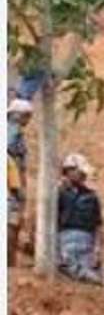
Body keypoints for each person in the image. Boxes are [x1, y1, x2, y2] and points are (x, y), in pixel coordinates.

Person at [56, 152, 104, 284]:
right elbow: (51, 224)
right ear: (68, 171)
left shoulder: (91, 196)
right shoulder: (58, 193)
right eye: (80, 171)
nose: (83, 175)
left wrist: (97, 250)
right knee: (70, 280)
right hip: (65, 243)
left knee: (93, 282)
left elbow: (98, 225)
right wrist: (56, 250)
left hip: (87, 246)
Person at [8, 99, 34, 266]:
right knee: (11, 221)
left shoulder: (16, 132)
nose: (28, 119)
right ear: (15, 114)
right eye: (25, 115)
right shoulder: (11, 131)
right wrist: (16, 185)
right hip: (11, 184)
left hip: (14, 182)